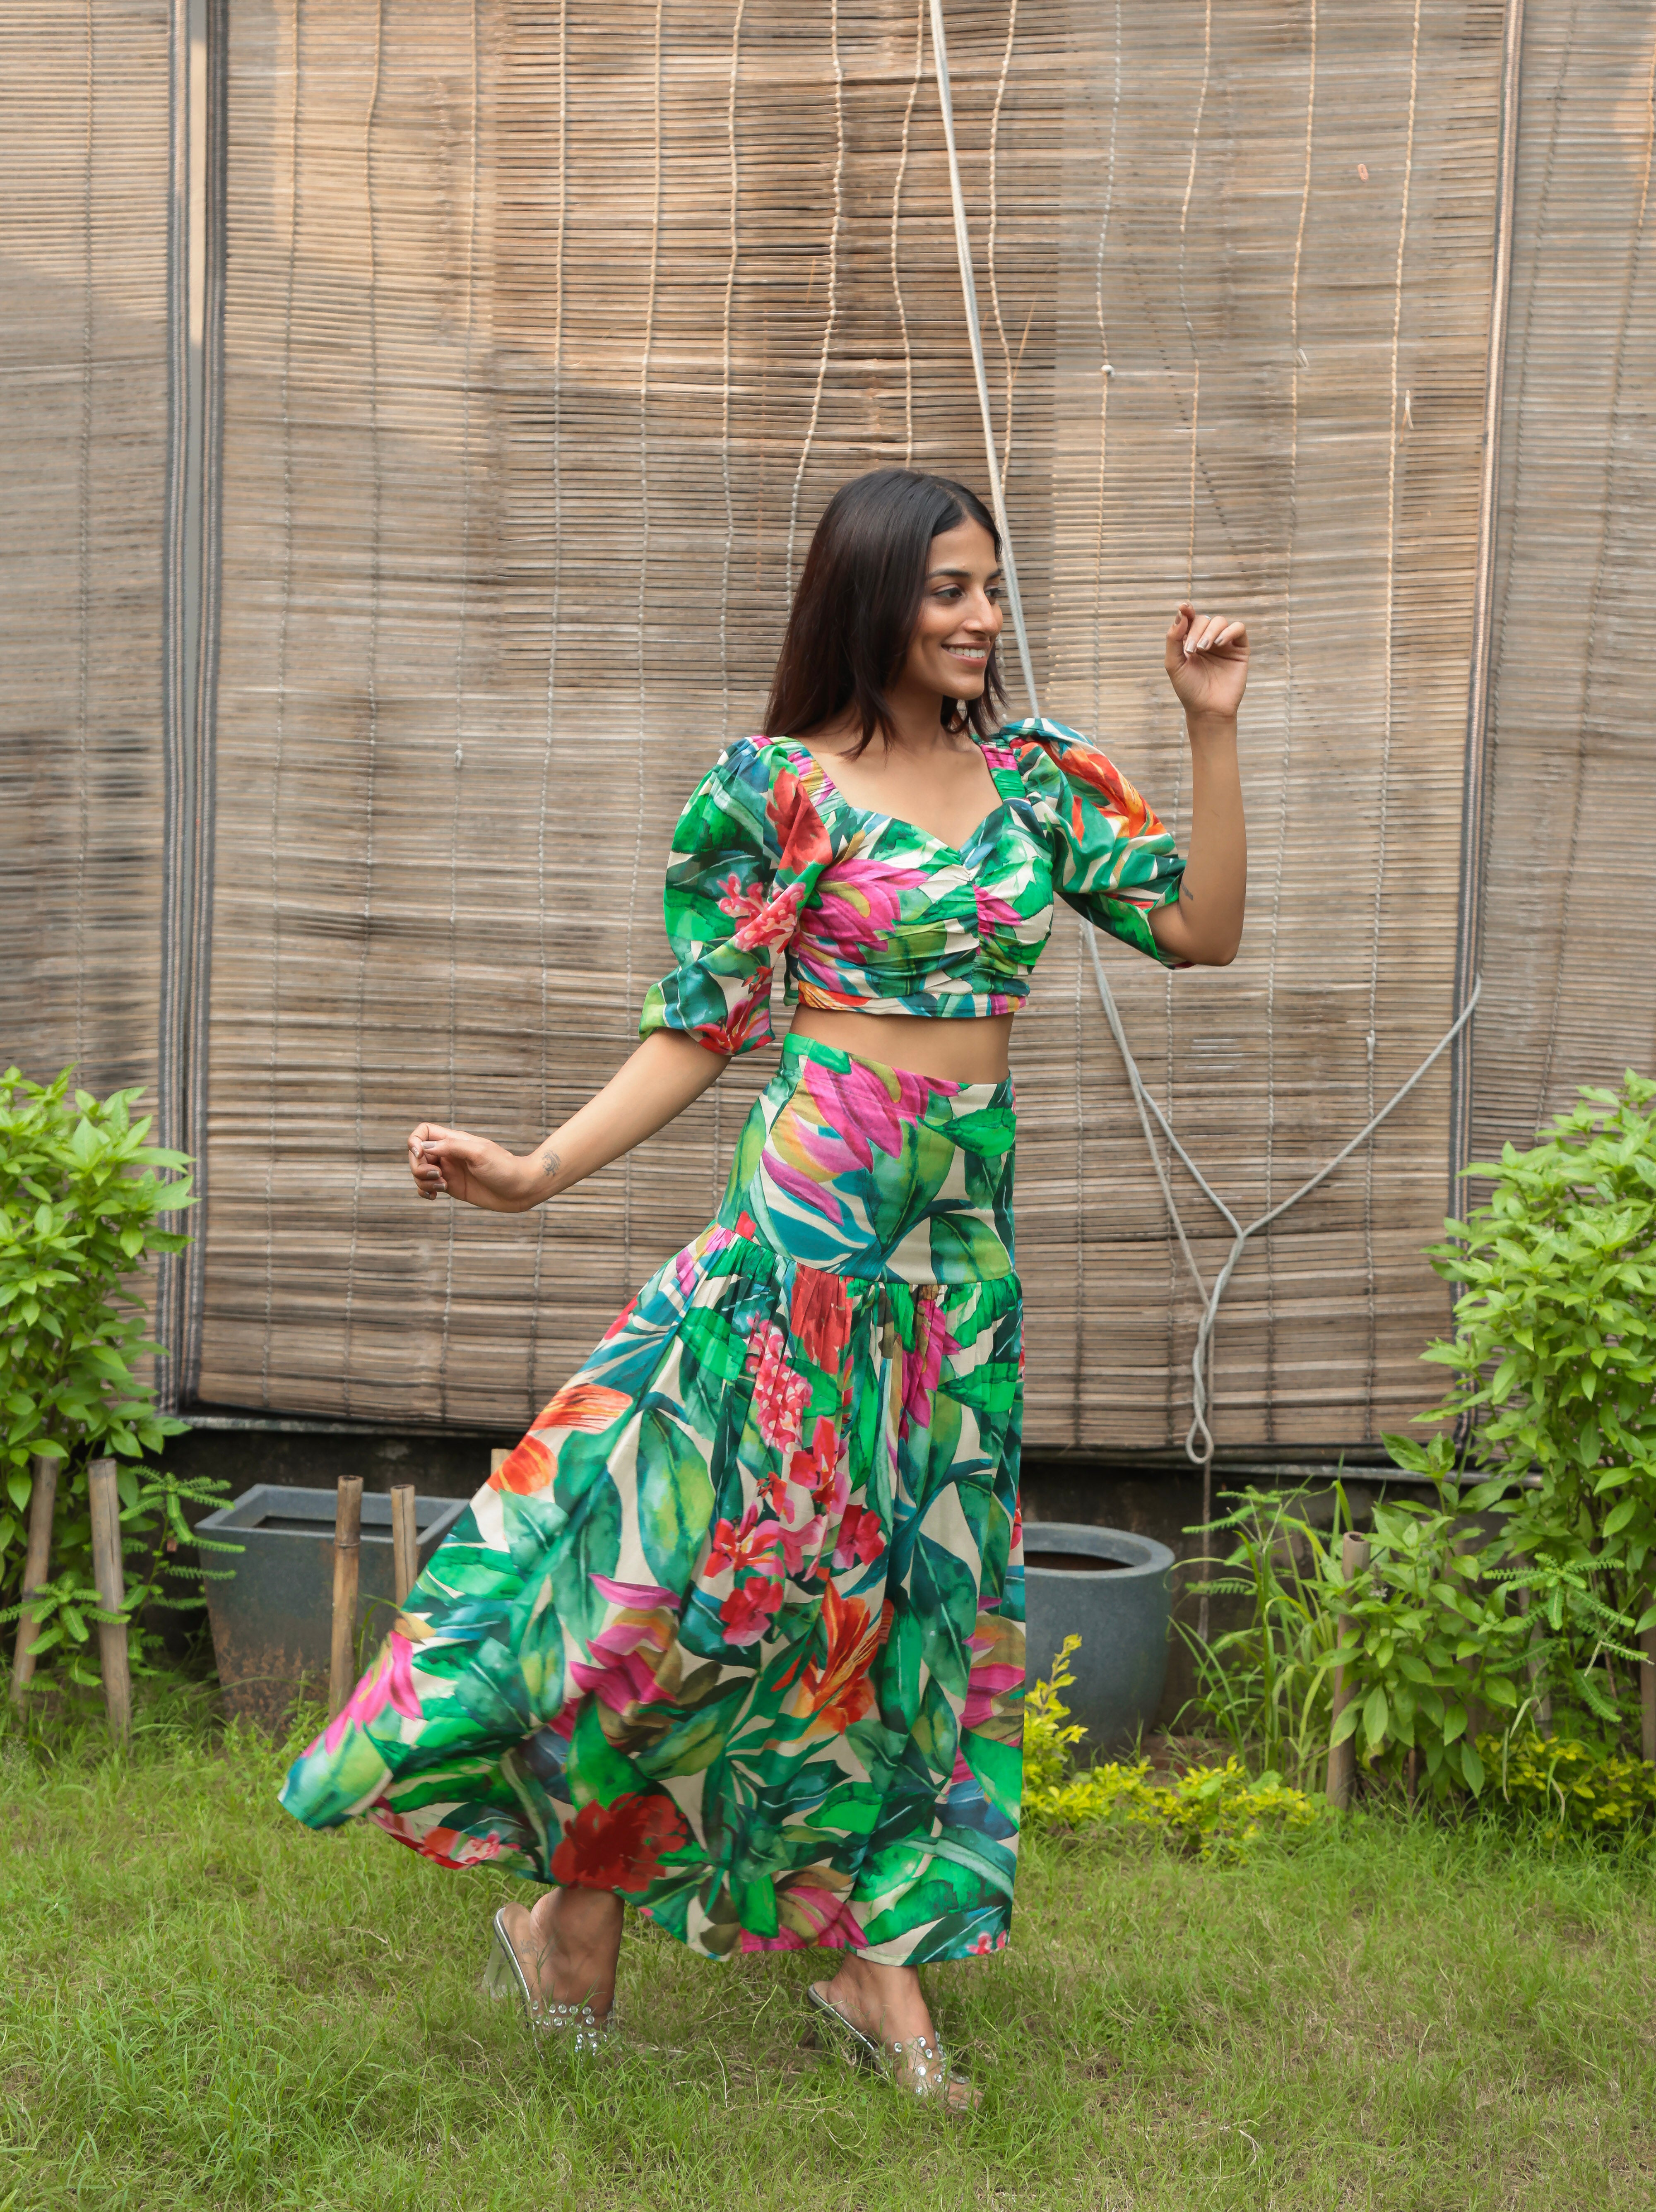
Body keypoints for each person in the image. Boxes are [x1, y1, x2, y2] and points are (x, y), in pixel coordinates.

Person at [279, 466, 1247, 2108]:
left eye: (993, 589)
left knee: (921, 1616)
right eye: (949, 589)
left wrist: (1207, 726)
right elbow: (699, 1028)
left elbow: (1200, 928)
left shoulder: (1033, 780)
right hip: (805, 1240)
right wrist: (533, 1173)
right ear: (869, 597)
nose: (982, 617)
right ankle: (572, 1918)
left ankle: (878, 1964)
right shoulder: (775, 794)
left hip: (957, 1268)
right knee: (723, 1591)